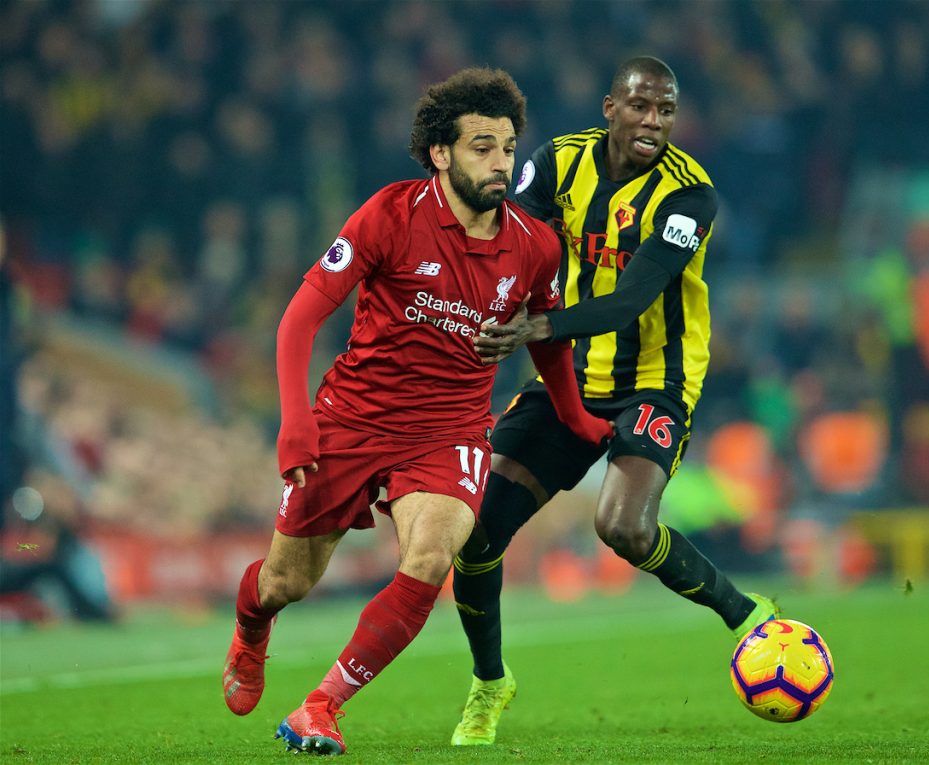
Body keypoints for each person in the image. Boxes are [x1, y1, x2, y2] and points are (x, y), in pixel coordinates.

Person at [221, 67, 612, 756]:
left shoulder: (535, 246)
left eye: (509, 147)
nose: (501, 163)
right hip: (353, 418)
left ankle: (321, 706)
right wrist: (295, 420)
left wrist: (576, 418)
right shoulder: (388, 214)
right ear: (441, 152)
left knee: (431, 557)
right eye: (482, 147)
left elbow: (546, 338)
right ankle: (252, 626)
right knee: (288, 581)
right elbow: (298, 321)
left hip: (450, 429)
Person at [449, 56, 780, 746]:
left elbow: (634, 296)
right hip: (566, 374)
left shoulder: (691, 196)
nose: (653, 122)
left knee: (623, 526)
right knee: (476, 533)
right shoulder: (557, 163)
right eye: (640, 107)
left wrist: (536, 326)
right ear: (610, 107)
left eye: (665, 111)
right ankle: (489, 682)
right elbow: (511, 243)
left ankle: (746, 612)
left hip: (654, 379)